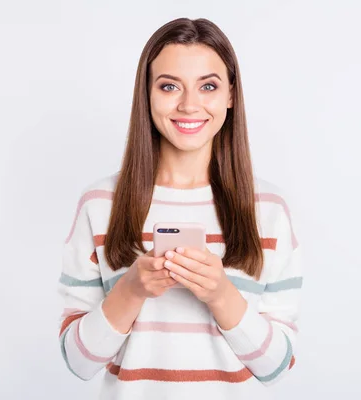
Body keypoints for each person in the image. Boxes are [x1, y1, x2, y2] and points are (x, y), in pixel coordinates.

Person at [57, 17, 303, 400]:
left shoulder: (267, 210)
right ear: (147, 94)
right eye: (170, 86)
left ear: (231, 96)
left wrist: (221, 294)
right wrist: (132, 290)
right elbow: (78, 362)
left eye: (208, 86)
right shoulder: (99, 204)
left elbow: (277, 366)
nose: (189, 105)